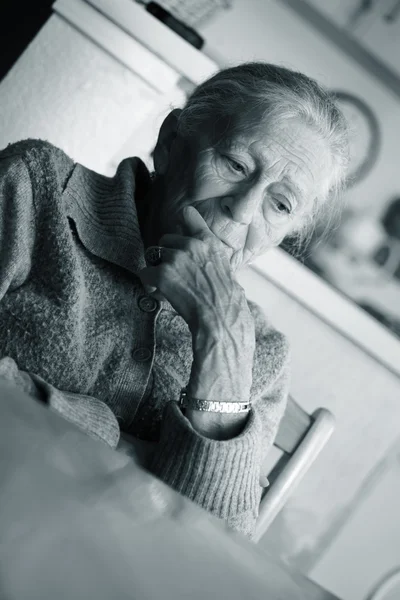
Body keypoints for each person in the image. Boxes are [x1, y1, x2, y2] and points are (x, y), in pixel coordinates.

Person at [0, 62, 349, 539]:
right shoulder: (35, 189)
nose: (244, 209)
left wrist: (219, 337)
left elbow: (210, 549)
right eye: (236, 165)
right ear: (169, 142)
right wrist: (110, 440)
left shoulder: (259, 352)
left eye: (280, 203)